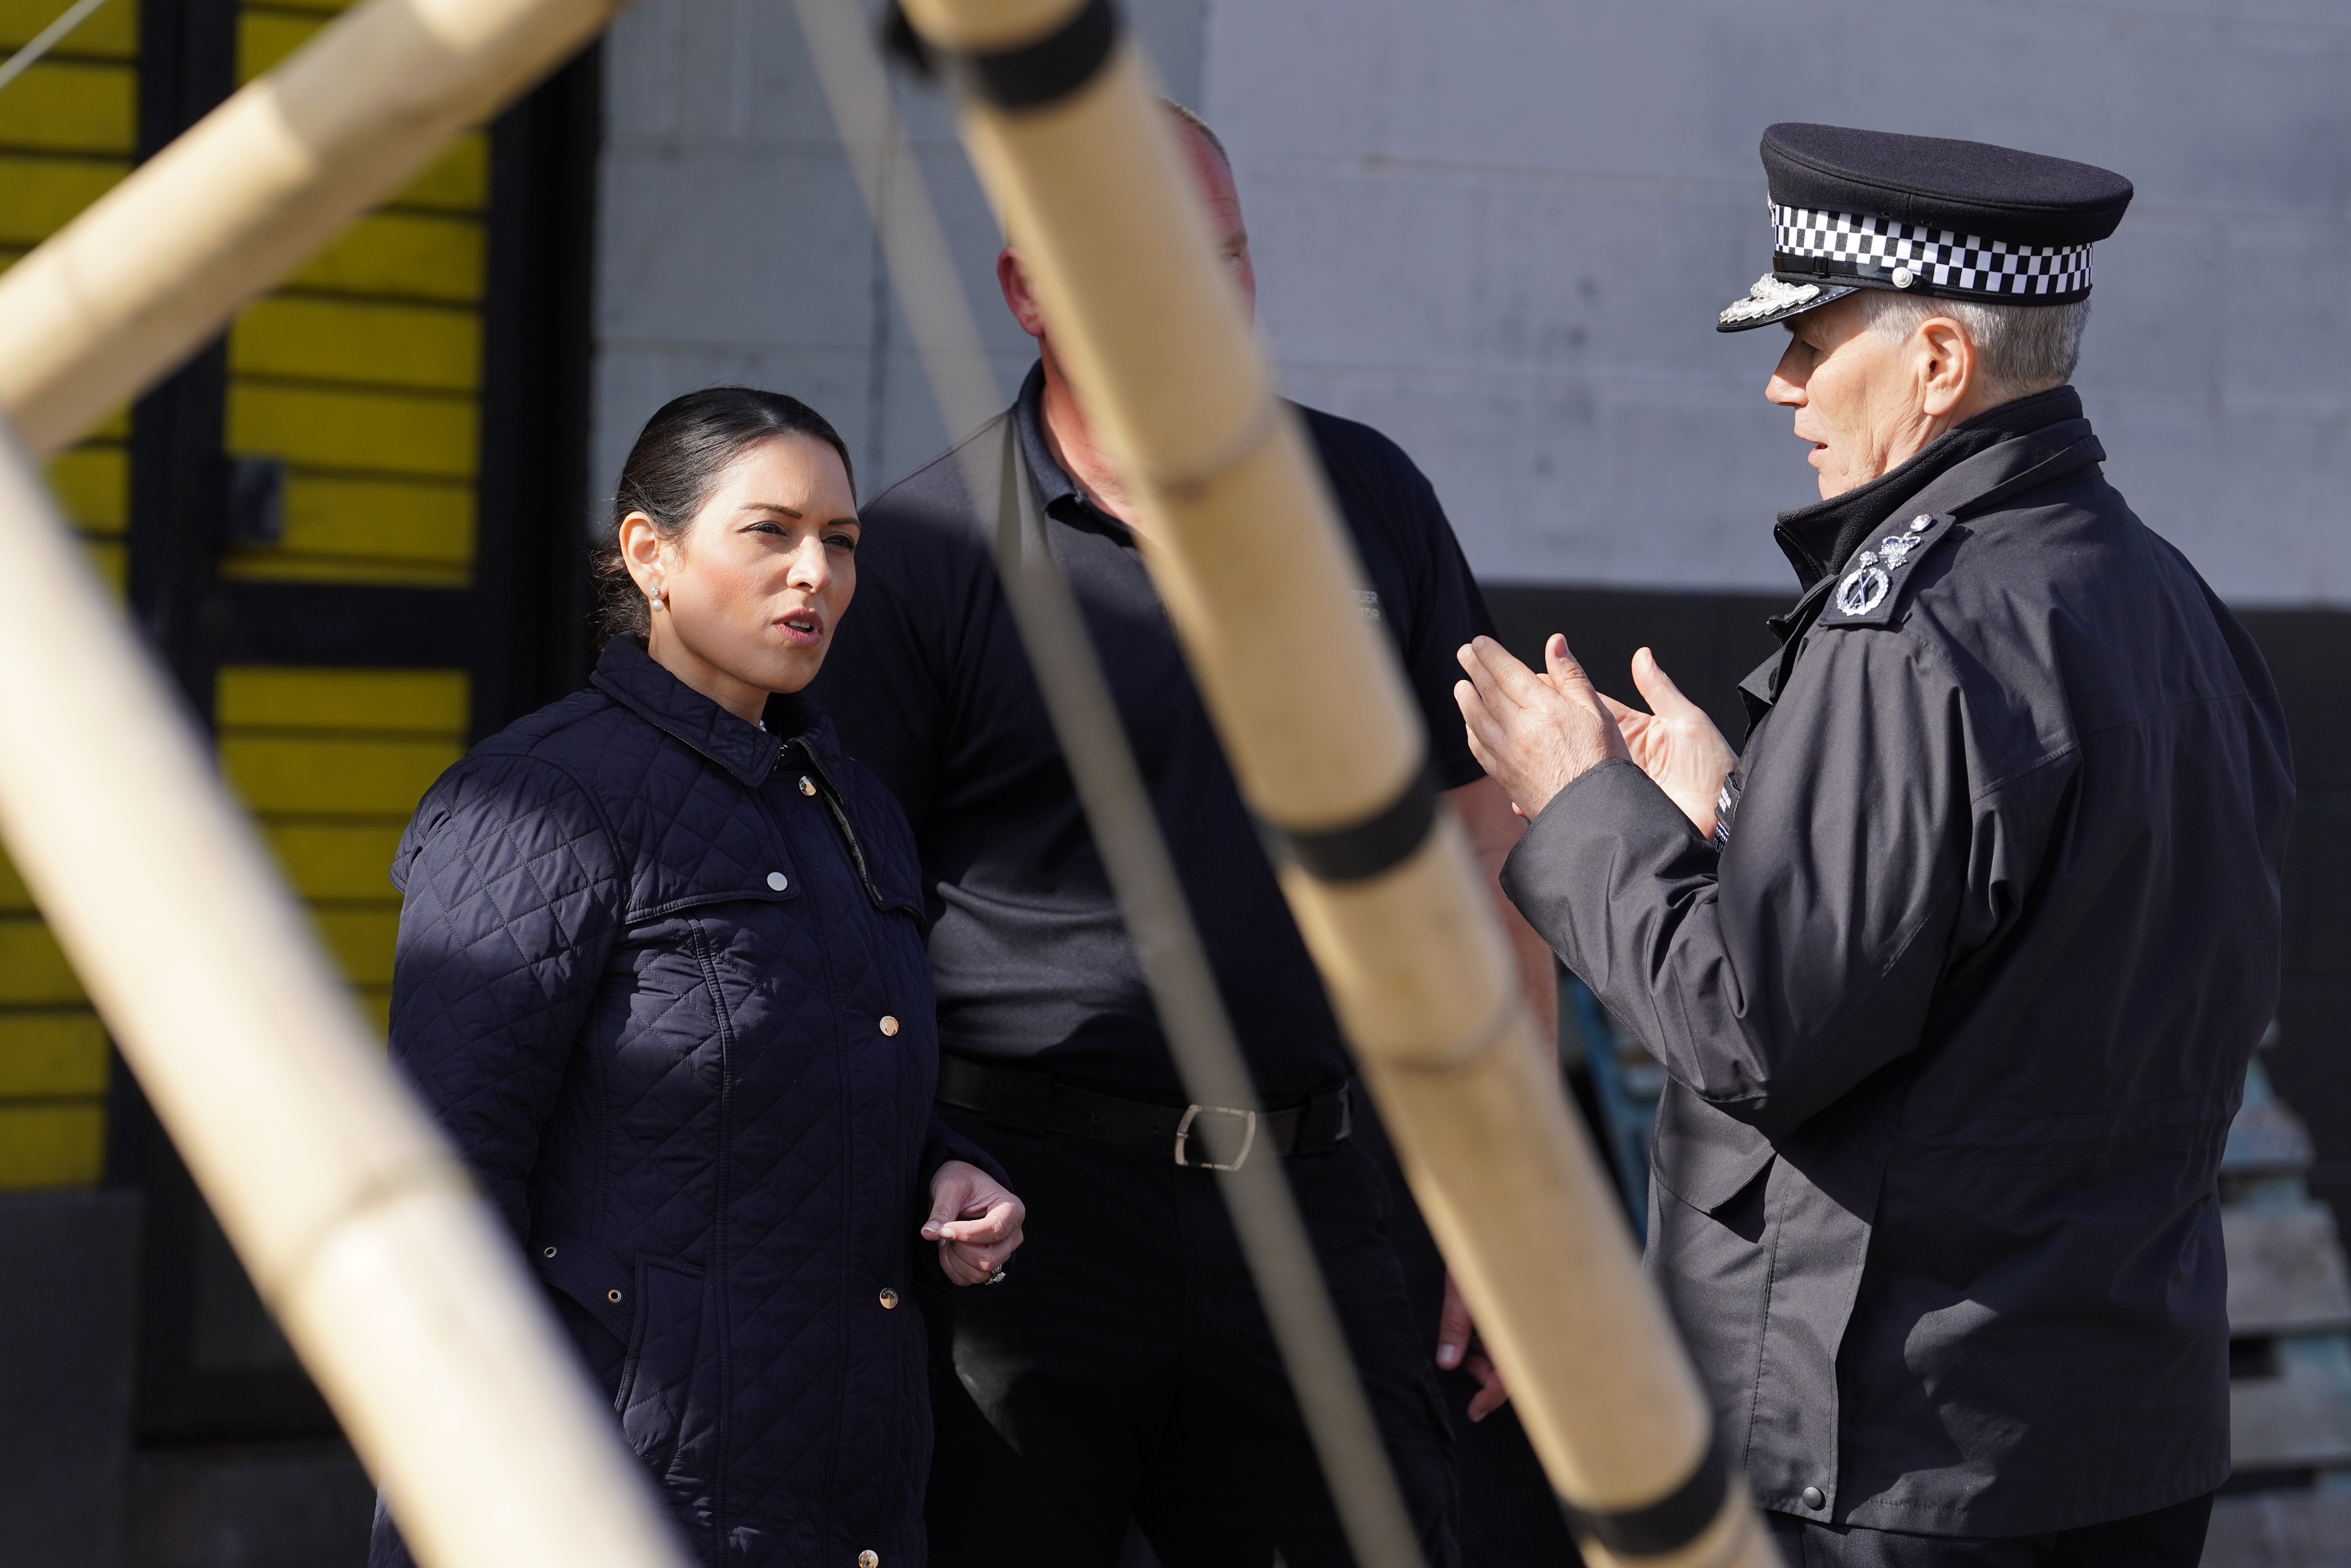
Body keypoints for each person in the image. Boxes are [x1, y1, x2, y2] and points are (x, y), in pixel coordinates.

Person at [1455, 123, 2295, 1566]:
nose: (1782, 384)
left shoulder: (1915, 629)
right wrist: (1733, 817)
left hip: (1899, 1451)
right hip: (2107, 1429)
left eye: (1814, 337)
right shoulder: (2163, 598)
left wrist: (1582, 800)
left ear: (1940, 363)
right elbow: (2011, 959)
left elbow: (1758, 1029)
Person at [806, 104, 1559, 1568]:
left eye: (1225, 258)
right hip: (1023, 1221)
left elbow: (1484, 857)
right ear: (1031, 295)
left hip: (1318, 1194)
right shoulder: (922, 556)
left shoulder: (1370, 505)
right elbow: (842, 929)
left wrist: (1513, 1209)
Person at [371, 388, 1025, 1568]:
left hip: (845, 1489)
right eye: (769, 532)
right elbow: (443, 1174)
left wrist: (949, 1167)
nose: (814, 573)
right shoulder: (539, 800)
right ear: (650, 554)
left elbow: (820, 1067)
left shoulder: (852, 803)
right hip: (616, 1489)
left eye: (842, 541)